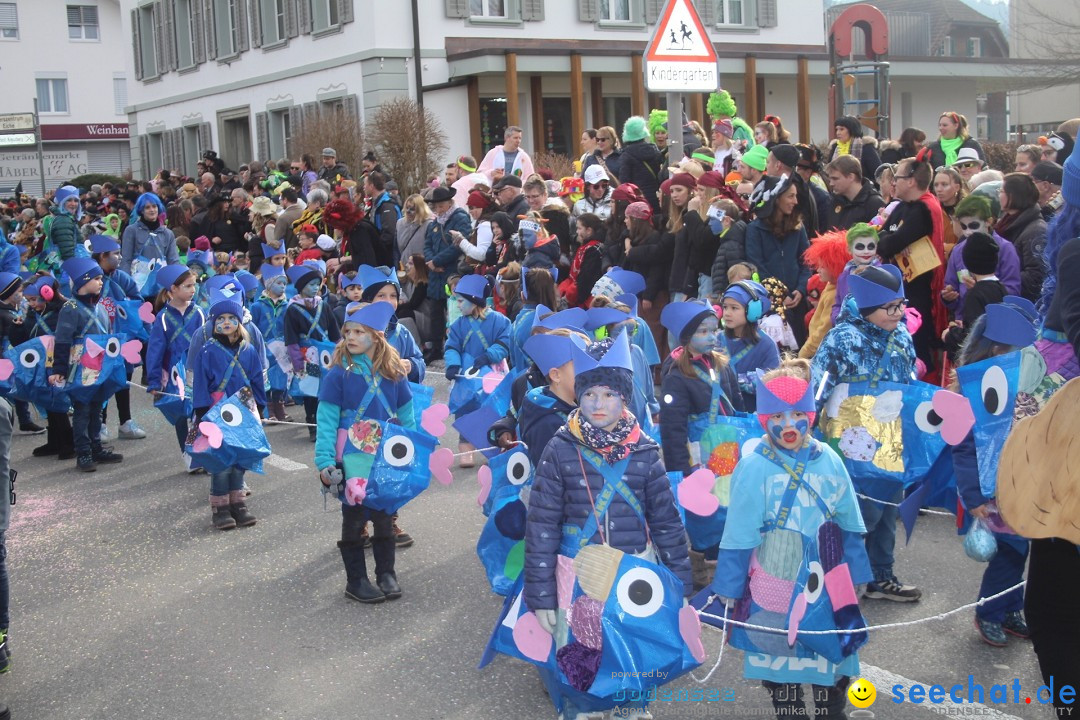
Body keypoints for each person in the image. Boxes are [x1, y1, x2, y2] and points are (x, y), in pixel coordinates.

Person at [525, 331, 692, 720]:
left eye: (609, 395)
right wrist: (541, 595)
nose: (597, 404)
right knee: (582, 651)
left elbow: (667, 522)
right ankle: (584, 709)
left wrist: (680, 583)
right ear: (577, 396)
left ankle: (631, 708)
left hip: (636, 569)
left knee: (632, 647)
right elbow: (542, 526)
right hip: (577, 573)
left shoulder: (647, 452)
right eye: (588, 395)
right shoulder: (559, 447)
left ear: (625, 398)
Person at [709, 360, 870, 719]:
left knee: (830, 657)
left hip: (827, 580)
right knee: (780, 665)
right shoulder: (753, 466)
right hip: (773, 579)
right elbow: (739, 534)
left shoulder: (829, 459)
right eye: (776, 416)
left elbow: (849, 521)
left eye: (797, 413)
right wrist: (729, 588)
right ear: (764, 419)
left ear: (811, 414)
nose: (788, 425)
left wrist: (857, 576)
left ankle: (832, 712)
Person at [811, 264, 920, 602]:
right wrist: (809, 427)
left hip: (892, 435)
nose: (900, 313)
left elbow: (910, 381)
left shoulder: (901, 335)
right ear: (869, 309)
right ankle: (844, 574)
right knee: (862, 509)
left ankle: (881, 575)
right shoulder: (842, 338)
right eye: (892, 307)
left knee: (889, 505)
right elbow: (819, 384)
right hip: (850, 438)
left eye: (902, 304)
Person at [951, 304, 1035, 647]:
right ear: (994, 350)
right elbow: (964, 450)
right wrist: (973, 498)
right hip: (993, 492)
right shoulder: (974, 397)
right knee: (1010, 553)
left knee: (1021, 552)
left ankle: (1012, 607)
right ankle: (988, 612)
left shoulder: (1024, 387)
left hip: (1023, 486)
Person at [315, 301, 411, 603]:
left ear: (377, 335)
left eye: (359, 331)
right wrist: (325, 461)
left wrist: (411, 451)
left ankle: (386, 573)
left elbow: (407, 415)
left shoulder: (393, 371)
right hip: (350, 456)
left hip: (383, 455)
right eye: (348, 331)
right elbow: (327, 421)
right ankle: (355, 580)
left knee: (384, 514)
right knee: (355, 518)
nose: (351, 337)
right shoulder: (337, 374)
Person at [659, 300, 742, 588]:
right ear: (686, 337)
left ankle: (721, 565)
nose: (712, 336)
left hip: (727, 451)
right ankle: (705, 567)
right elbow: (672, 427)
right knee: (705, 512)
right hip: (696, 457)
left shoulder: (721, 364)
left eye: (714, 330)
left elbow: (736, 406)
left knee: (729, 507)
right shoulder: (677, 374)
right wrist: (680, 470)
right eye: (704, 331)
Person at [192, 290, 265, 530]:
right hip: (215, 410)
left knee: (240, 457)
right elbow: (200, 382)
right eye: (220, 319)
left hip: (244, 410)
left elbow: (256, 381)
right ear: (214, 324)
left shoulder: (249, 350)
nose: (226, 322)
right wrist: (202, 412)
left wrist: (260, 408)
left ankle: (238, 503)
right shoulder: (207, 351)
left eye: (231, 318)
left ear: (239, 322)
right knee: (221, 462)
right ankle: (220, 507)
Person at [876, 153, 949, 381]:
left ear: (911, 180)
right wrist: (892, 240)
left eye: (896, 177)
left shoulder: (923, 209)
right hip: (900, 288)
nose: (893, 182)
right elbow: (881, 237)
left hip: (919, 293)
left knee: (917, 346)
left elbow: (890, 243)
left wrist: (893, 240)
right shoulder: (902, 207)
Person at [50, 258, 125, 472]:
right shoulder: (70, 307)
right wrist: (59, 369)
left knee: (97, 408)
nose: (101, 282)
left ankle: (96, 446)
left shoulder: (100, 306)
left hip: (100, 367)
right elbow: (62, 340)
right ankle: (82, 452)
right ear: (84, 280)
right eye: (97, 278)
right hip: (81, 369)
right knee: (82, 410)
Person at [443, 274, 511, 466]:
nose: (457, 305)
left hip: (492, 374)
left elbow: (504, 342)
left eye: (460, 301)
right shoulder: (458, 325)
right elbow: (452, 347)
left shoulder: (499, 321)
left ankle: (497, 445)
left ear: (474, 301)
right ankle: (466, 450)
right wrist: (453, 365)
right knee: (465, 410)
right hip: (466, 375)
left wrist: (489, 355)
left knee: (494, 409)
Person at [744, 174, 811, 345]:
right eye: (790, 196)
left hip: (797, 302)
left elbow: (807, 261)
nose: (795, 201)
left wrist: (801, 289)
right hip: (771, 305)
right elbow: (757, 265)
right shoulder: (754, 230)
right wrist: (780, 295)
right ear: (776, 198)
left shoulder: (798, 227)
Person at [145, 265, 204, 456]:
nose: (193, 290)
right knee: (180, 415)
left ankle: (201, 453)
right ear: (173, 289)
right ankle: (187, 454)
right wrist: (154, 380)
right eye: (187, 286)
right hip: (172, 375)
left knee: (200, 413)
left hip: (197, 372)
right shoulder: (162, 318)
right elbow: (155, 351)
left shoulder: (200, 313)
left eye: (194, 285)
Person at [284, 263, 341, 440]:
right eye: (311, 284)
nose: (316, 287)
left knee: (328, 387)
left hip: (326, 355)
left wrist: (340, 351)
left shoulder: (324, 306)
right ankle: (312, 422)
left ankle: (328, 423)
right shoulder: (292, 309)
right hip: (307, 355)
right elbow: (291, 340)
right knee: (311, 389)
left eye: (318, 284)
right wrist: (297, 363)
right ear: (301, 287)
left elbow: (335, 333)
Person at [942, 195, 1021, 314]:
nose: (968, 232)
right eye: (963, 226)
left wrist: (982, 288)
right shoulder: (958, 251)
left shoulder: (1005, 249)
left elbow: (1013, 292)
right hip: (965, 320)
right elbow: (951, 286)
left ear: (988, 222)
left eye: (974, 226)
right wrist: (948, 297)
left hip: (994, 319)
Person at [24, 276, 73, 457]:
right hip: (42, 363)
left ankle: (69, 443)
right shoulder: (34, 314)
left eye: (33, 299)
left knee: (58, 401)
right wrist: (18, 327)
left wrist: (60, 367)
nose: (30, 304)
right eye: (27, 300)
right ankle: (54, 441)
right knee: (48, 400)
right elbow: (25, 337)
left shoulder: (62, 310)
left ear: (47, 294)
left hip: (58, 362)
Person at [719, 280, 781, 410]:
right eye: (725, 307)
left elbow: (773, 382)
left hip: (753, 416)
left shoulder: (766, 345)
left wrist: (739, 380)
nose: (727, 313)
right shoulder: (717, 339)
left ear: (753, 311)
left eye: (734, 308)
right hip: (721, 414)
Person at [942, 233, 1006, 357]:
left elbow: (972, 336)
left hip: (982, 361)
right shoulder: (1001, 288)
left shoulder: (974, 294)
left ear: (968, 262)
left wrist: (950, 334)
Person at [799, 229, 852, 360]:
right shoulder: (831, 285)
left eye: (822, 267)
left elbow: (823, 330)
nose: (818, 270)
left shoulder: (835, 294)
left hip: (820, 352)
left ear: (835, 267)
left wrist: (803, 354)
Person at [995, 172, 1047, 302]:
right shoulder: (1004, 223)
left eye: (1001, 191)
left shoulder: (1036, 230)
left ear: (1013, 196)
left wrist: (998, 279)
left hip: (1022, 304)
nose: (998, 195)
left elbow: (1036, 275)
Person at [248, 263, 291, 422]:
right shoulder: (257, 306)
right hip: (264, 347)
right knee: (266, 377)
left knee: (282, 377)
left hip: (282, 347)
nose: (283, 287)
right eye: (279, 283)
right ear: (269, 284)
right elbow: (253, 328)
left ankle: (280, 406)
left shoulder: (287, 306)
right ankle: (268, 410)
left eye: (285, 284)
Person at [120, 192, 179, 274]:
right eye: (147, 207)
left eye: (154, 206)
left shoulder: (168, 233)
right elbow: (126, 260)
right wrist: (126, 281)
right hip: (138, 281)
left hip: (161, 281)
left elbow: (173, 261)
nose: (152, 210)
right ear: (141, 211)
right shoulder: (131, 230)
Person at [825, 155, 886, 231]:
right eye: (830, 179)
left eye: (835, 179)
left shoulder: (874, 203)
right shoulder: (835, 200)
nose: (831, 183)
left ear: (851, 177)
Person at [618, 116, 664, 213]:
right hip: (657, 197)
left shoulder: (626, 155)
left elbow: (625, 183)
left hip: (638, 199)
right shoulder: (655, 151)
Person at [825, 115, 882, 182]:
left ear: (852, 130)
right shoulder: (835, 147)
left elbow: (879, 174)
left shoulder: (866, 147)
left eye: (841, 129)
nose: (838, 133)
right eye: (837, 129)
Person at [365, 171, 401, 267]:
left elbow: (389, 233)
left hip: (390, 257)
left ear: (371, 186)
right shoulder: (376, 203)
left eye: (365, 184)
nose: (364, 187)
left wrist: (374, 249)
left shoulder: (387, 205)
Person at [49, 185, 83, 261]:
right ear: (62, 202)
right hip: (66, 267)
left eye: (76, 200)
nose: (73, 204)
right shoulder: (64, 220)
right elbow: (67, 253)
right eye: (69, 200)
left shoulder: (67, 218)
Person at [396, 194, 431, 263]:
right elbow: (396, 249)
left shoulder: (428, 225)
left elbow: (429, 249)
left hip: (421, 268)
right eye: (407, 208)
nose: (408, 211)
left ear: (420, 210)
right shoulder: (399, 223)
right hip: (404, 267)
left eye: (412, 209)